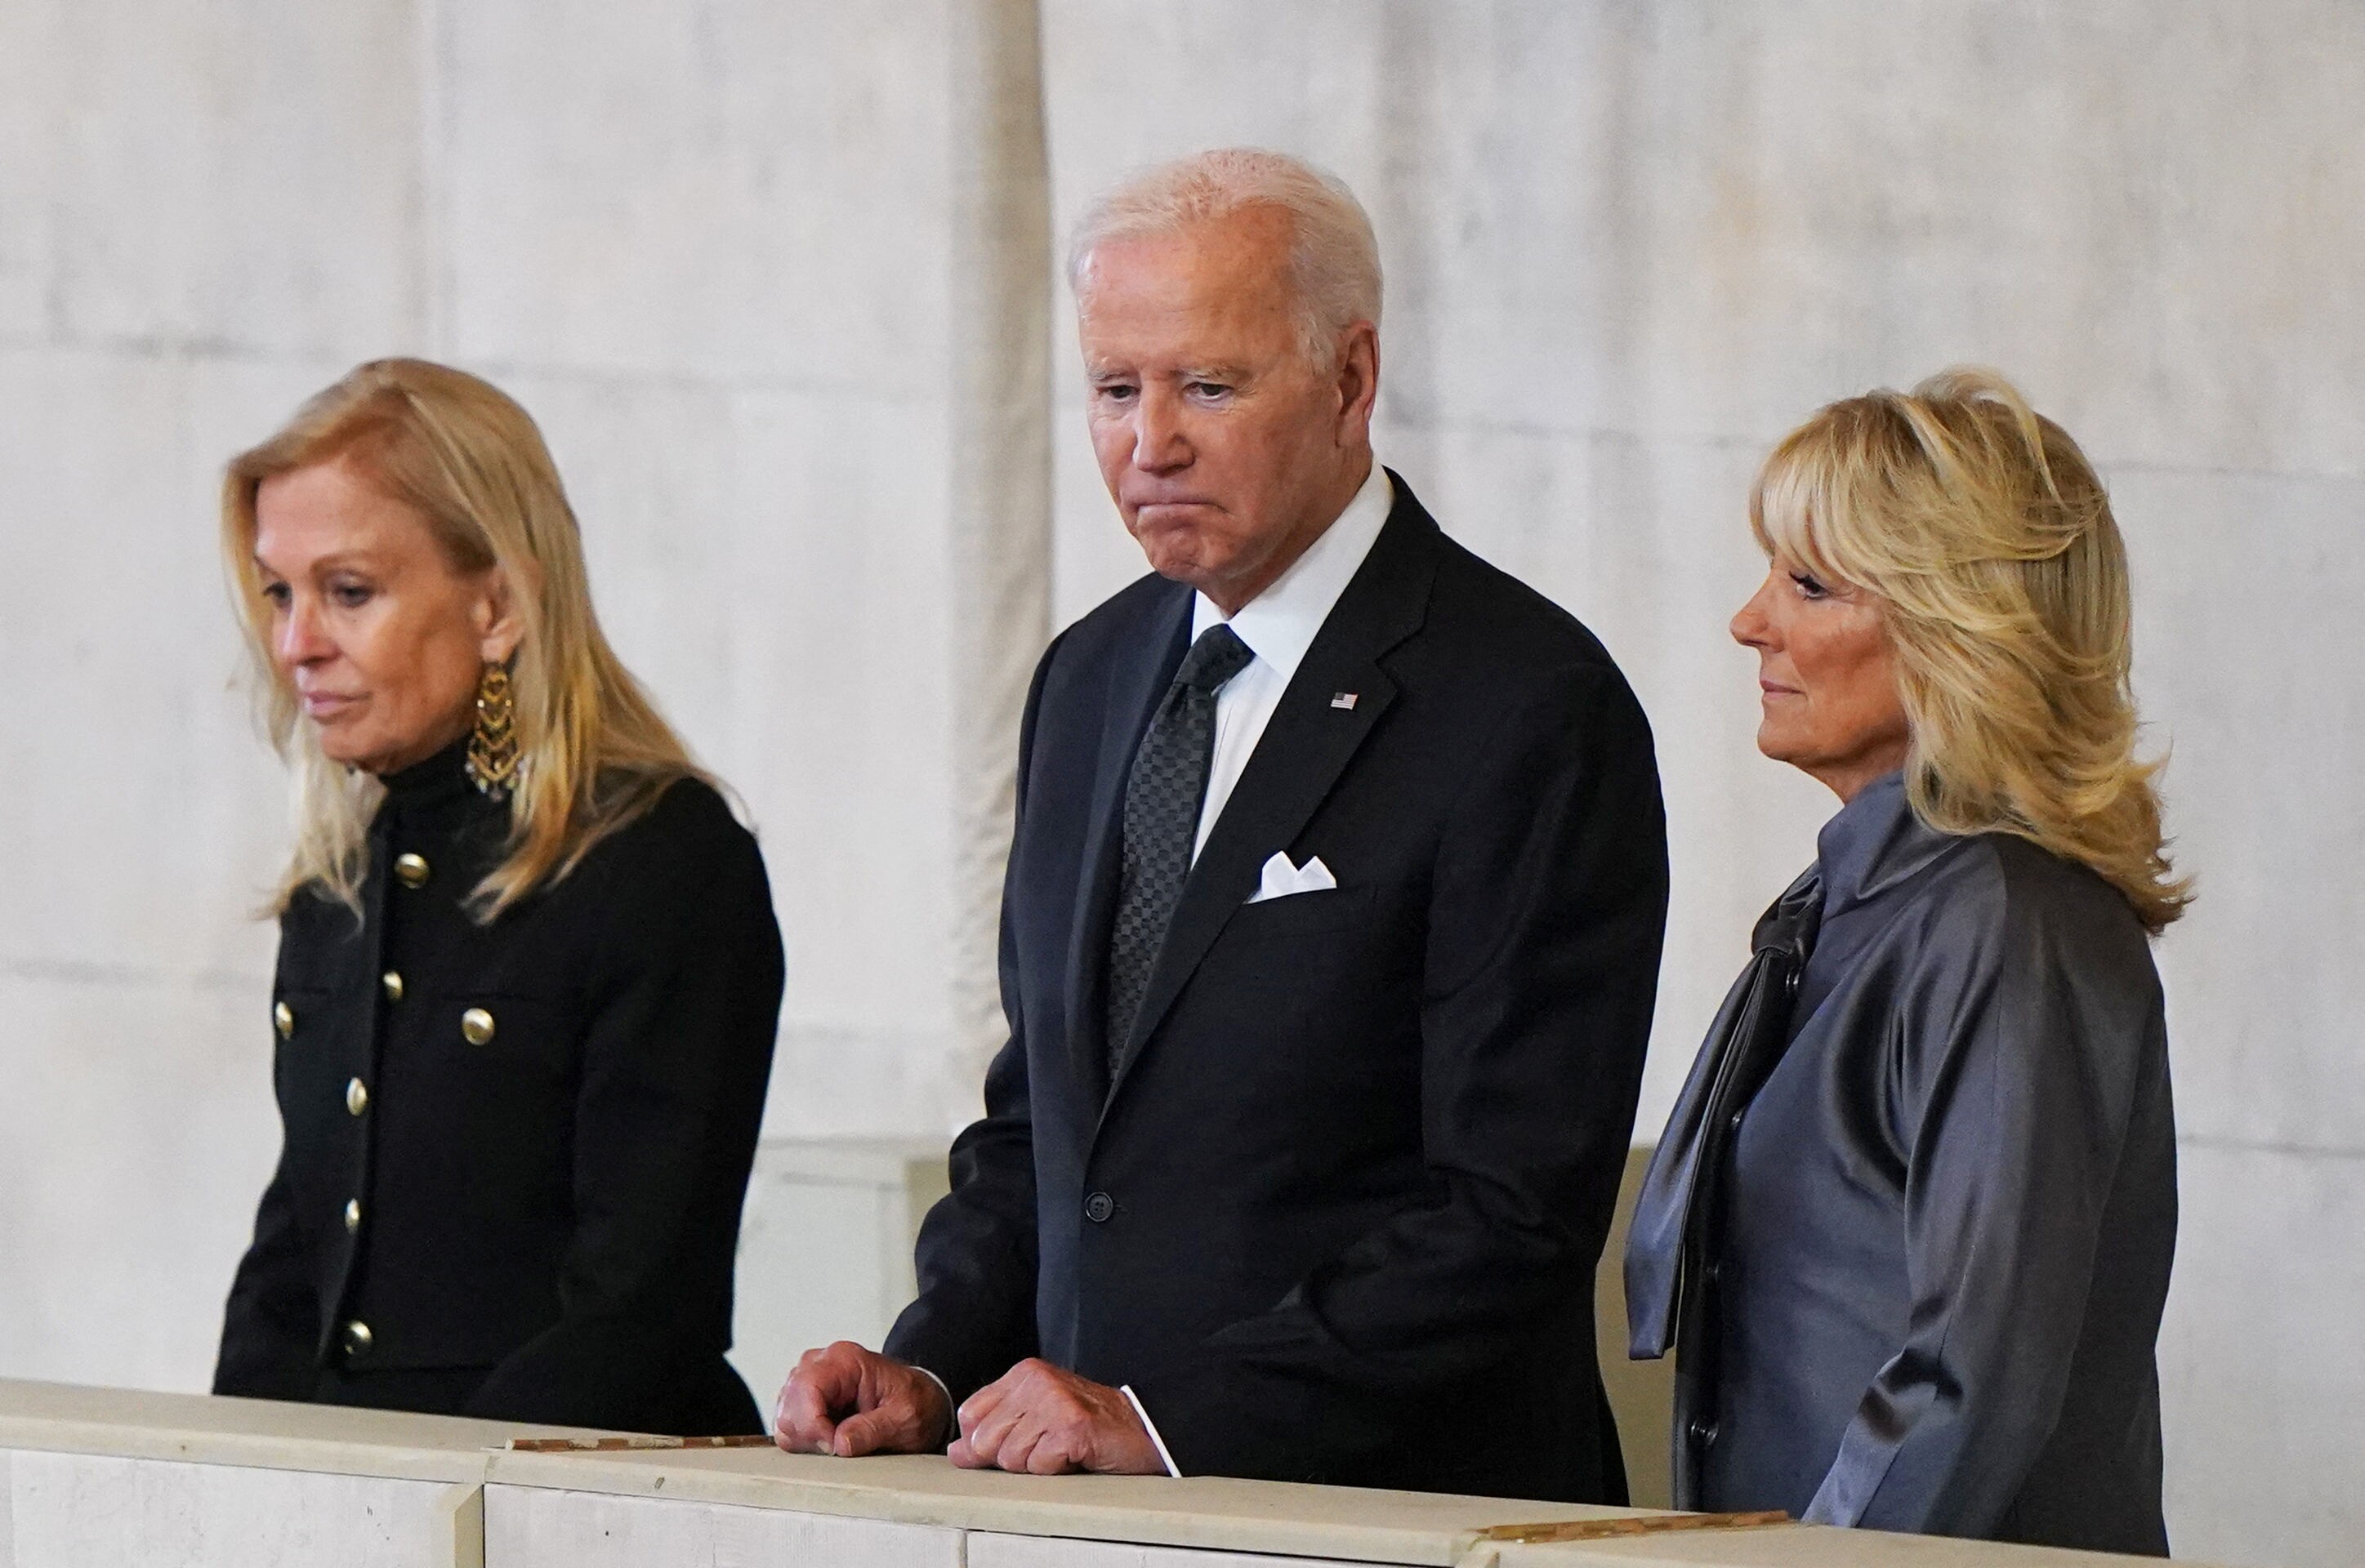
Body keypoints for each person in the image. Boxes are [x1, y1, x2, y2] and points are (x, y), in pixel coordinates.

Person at [772, 149, 1668, 1500]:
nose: (1152, 443)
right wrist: (937, 1369)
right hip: (1087, 1524)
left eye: (1209, 385)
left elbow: (1509, 1209)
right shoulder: (1086, 679)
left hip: (1398, 1515)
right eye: (1116, 390)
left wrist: (1169, 1420)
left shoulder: (1528, 703)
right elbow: (1047, 1131)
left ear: (1353, 380)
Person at [1626, 369, 2184, 1552]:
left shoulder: (2003, 920)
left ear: (1960, 627)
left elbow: (1969, 1374)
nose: (1749, 621)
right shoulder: (1869, 901)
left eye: (1810, 584)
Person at [211, 359, 784, 1435]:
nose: (297, 645)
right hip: (359, 1496)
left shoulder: (660, 862)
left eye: (349, 591)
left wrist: (441, 1514)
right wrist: (231, 1488)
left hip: (576, 1498)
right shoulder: (341, 876)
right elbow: (297, 1260)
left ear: (497, 606)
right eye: (280, 593)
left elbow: (642, 1309)